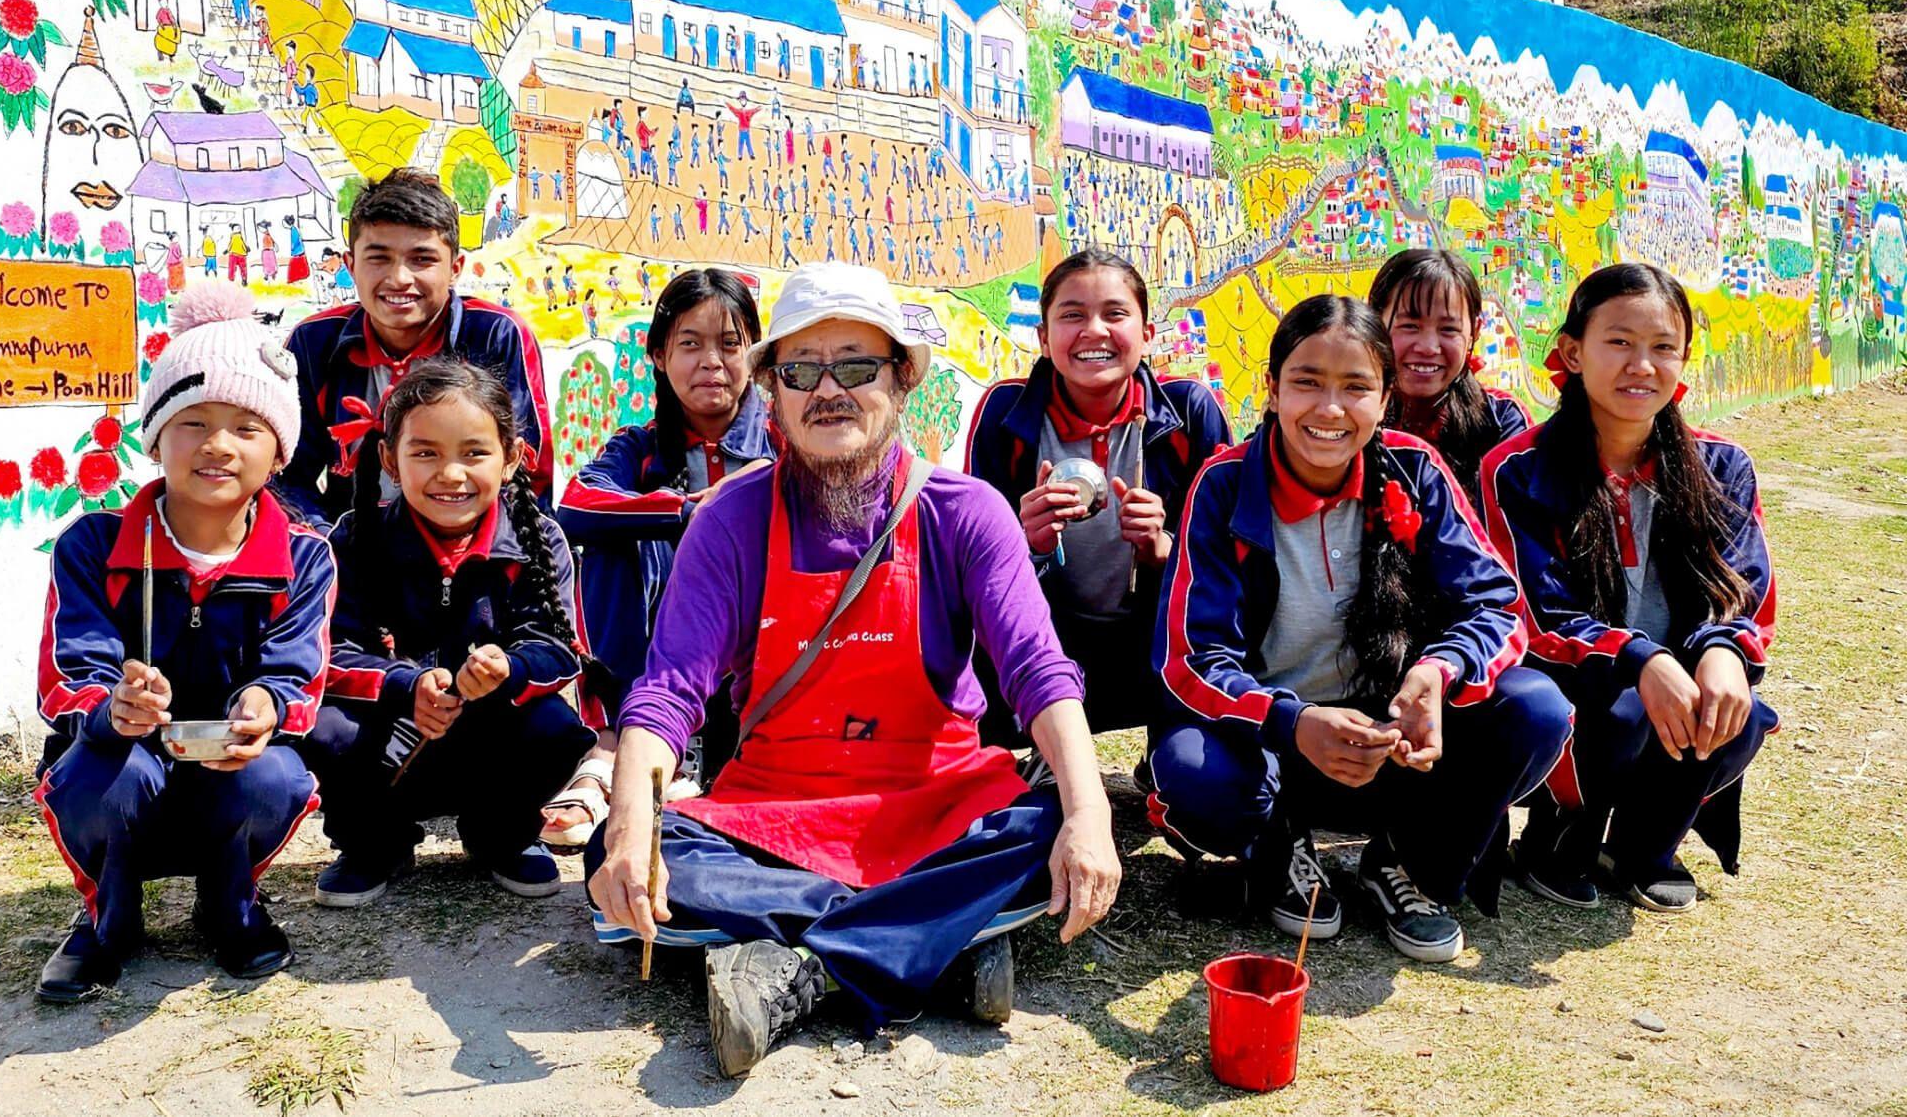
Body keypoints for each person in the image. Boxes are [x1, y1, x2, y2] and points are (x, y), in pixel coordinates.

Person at [585, 263, 1120, 1077]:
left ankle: (799, 965)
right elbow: (667, 693)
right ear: (773, 390)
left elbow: (1040, 674)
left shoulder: (965, 512)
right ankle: (935, 943)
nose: (827, 390)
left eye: (856, 365)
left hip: (937, 803)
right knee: (615, 851)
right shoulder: (730, 519)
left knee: (1057, 818)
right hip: (773, 813)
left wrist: (1088, 816)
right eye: (801, 371)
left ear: (902, 376)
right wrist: (629, 823)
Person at [1148, 294, 1571, 962]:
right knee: (1193, 772)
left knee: (1537, 709)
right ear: (1272, 389)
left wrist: (1436, 673)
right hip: (1275, 744)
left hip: (1389, 744)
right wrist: (1293, 722)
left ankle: (1405, 858)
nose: (1330, 410)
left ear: (1384, 395)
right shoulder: (1225, 483)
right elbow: (1192, 659)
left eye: (1356, 387)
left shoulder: (1415, 470)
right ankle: (1278, 842)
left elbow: (1495, 605)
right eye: (1307, 382)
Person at [33, 281, 334, 1001]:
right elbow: (65, 674)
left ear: (280, 453)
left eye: (247, 427)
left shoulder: (305, 556)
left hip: (227, 775)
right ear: (156, 435)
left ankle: (230, 902)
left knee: (277, 777)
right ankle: (110, 917)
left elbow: (297, 674)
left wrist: (264, 702)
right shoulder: (93, 544)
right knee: (101, 773)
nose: (218, 446)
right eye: (193, 421)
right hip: (125, 763)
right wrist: (114, 706)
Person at [1485, 263, 1778, 914]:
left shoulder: (1722, 467)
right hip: (1579, 691)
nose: (1641, 365)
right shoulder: (1519, 469)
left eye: (1662, 347)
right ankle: (1561, 833)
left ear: (1684, 360)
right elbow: (1537, 614)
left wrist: (1724, 653)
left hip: (1676, 688)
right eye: (1618, 342)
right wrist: (1642, 660)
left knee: (1741, 716)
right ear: (1571, 351)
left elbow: (1742, 588)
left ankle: (1646, 845)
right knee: (1621, 711)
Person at [304, 359, 597, 907]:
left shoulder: (538, 541)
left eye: (474, 453)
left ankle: (502, 836)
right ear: (390, 459)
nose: (451, 474)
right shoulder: (354, 539)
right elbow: (332, 651)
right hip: (393, 742)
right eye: (425, 453)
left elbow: (558, 646)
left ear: (511, 459)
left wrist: (508, 670)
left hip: (492, 732)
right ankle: (375, 843)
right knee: (324, 729)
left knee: (557, 730)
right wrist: (405, 686)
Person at [965, 248, 1229, 751]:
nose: (1094, 331)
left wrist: (1163, 550)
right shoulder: (1006, 415)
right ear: (1044, 338)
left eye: (1115, 313)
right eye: (1072, 316)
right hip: (1047, 642)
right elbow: (972, 574)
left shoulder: (1189, 412)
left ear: (1147, 335)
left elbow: (1225, 569)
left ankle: (1172, 755)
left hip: (1151, 648)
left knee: (1199, 778)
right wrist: (1027, 545)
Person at [548, 269, 775, 848]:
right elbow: (575, 502)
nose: (712, 362)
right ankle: (622, 735)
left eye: (730, 344)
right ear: (657, 355)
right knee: (607, 539)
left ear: (754, 354)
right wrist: (682, 513)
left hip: (761, 654)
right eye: (690, 344)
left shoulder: (784, 443)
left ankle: (640, 764)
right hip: (658, 655)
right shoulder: (639, 448)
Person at [277, 168, 554, 526]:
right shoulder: (315, 342)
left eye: (422, 259)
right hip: (351, 548)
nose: (399, 279)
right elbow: (287, 473)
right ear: (350, 265)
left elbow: (528, 471)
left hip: (469, 550)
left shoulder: (496, 335)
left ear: (455, 268)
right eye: (379, 258)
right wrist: (330, 548)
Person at [1366, 249, 1530, 513]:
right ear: (1375, 322)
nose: (1429, 347)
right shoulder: (1351, 415)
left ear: (1474, 332)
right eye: (1410, 326)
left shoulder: (1500, 420)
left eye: (1449, 330)